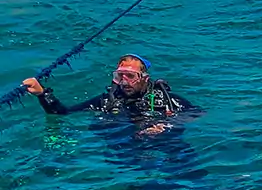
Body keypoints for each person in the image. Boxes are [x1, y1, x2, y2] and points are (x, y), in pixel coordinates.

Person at [23, 54, 197, 135]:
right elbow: (62, 113)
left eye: (131, 76)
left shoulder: (164, 99)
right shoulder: (107, 101)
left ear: (144, 78)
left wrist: (167, 124)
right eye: (120, 76)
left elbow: (196, 113)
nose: (124, 81)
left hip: (165, 142)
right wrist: (42, 94)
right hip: (126, 149)